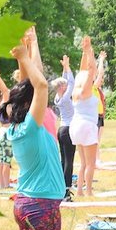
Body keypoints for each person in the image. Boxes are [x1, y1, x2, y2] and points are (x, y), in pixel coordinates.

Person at [3, 27, 66, 230]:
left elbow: (32, 85)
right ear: (31, 106)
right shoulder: (33, 125)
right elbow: (40, 85)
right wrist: (23, 56)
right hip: (41, 207)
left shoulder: (16, 129)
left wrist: (28, 52)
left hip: (25, 204)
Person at [70, 36, 101, 197]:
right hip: (87, 126)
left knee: (82, 163)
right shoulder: (86, 90)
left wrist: (85, 51)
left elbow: (85, 70)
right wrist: (89, 52)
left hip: (75, 125)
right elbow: (91, 70)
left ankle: (80, 190)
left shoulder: (76, 90)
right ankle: (88, 190)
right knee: (91, 163)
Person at [52, 55, 76, 192]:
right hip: (68, 130)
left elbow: (65, 81)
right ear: (61, 88)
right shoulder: (65, 98)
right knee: (69, 160)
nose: (66, 86)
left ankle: (60, 183)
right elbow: (71, 82)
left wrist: (64, 68)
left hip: (61, 130)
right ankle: (66, 186)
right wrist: (67, 68)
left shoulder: (57, 97)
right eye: (64, 86)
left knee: (63, 159)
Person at [0, 69, 14, 190]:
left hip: (0, 132)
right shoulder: (5, 102)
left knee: (1, 160)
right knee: (6, 160)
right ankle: (6, 185)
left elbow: (2, 91)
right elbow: (5, 90)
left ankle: (2, 184)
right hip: (6, 133)